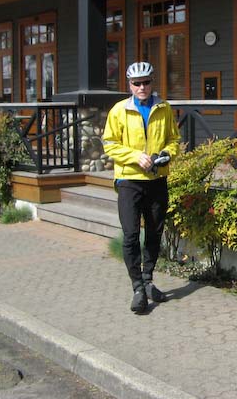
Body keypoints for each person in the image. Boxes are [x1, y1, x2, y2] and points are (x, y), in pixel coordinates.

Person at [103, 61, 179, 314]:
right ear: (129, 85)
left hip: (157, 180)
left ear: (152, 82)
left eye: (146, 82)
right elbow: (110, 144)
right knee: (131, 235)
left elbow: (173, 139)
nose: (142, 87)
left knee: (155, 234)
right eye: (136, 83)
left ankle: (148, 281)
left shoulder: (164, 108)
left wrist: (167, 153)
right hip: (129, 181)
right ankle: (137, 288)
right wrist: (135, 156)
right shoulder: (118, 111)